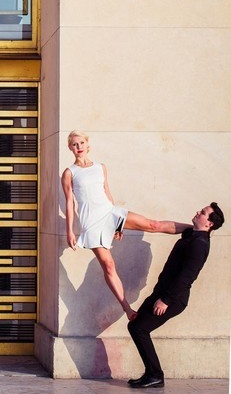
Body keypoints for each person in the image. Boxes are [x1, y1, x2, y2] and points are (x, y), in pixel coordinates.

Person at [61, 130, 191, 320]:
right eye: (74, 144)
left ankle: (194, 228)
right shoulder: (69, 173)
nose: (79, 147)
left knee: (152, 224)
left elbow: (107, 193)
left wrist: (117, 225)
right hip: (91, 223)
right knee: (109, 265)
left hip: (109, 213)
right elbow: (70, 203)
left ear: (88, 145)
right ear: (70, 148)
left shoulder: (100, 167)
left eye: (81, 143)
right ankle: (127, 309)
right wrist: (70, 231)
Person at [127, 202, 224, 389]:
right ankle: (152, 373)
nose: (198, 212)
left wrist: (166, 300)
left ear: (209, 223)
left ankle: (155, 375)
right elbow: (169, 226)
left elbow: (187, 277)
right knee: (136, 325)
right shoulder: (193, 235)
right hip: (162, 292)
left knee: (139, 328)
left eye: (203, 213)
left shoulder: (200, 244)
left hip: (172, 298)